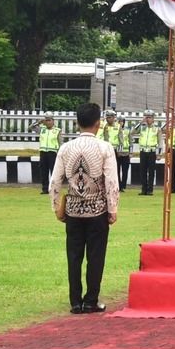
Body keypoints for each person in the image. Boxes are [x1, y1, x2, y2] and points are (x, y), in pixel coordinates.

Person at [49, 102, 119, 315]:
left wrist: (56, 207)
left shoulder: (65, 148)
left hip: (73, 211)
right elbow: (111, 182)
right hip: (97, 210)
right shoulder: (104, 147)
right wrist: (113, 208)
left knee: (74, 256)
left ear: (77, 123)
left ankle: (75, 301)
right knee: (96, 256)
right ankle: (91, 300)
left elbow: (55, 181)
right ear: (98, 124)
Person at [135, 110, 160, 195]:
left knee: (151, 171)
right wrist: (140, 123)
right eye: (147, 117)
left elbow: (160, 142)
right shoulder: (142, 127)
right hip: (143, 152)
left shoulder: (156, 129)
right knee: (143, 171)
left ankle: (150, 190)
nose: (148, 119)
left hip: (151, 152)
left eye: (150, 117)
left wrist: (159, 154)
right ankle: (143, 189)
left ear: (153, 119)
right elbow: (132, 132)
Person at [36, 113, 62, 195]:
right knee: (43, 171)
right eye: (46, 120)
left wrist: (60, 153)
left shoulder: (57, 130)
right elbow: (30, 127)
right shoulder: (42, 129)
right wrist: (39, 122)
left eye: (49, 120)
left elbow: (60, 142)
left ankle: (54, 189)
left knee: (53, 172)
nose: (48, 122)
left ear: (53, 121)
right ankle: (45, 189)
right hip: (43, 152)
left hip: (53, 153)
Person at [114, 116, 131, 192]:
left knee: (125, 171)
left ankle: (123, 185)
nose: (121, 123)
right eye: (119, 121)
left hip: (126, 153)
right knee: (117, 170)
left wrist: (131, 152)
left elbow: (131, 141)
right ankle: (119, 185)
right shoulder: (115, 130)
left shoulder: (127, 130)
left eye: (122, 121)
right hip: (118, 153)